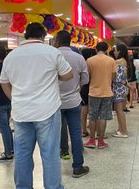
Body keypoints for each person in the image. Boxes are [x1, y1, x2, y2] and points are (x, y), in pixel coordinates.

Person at [0, 22, 73, 189]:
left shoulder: (11, 56)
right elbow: (68, 75)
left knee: (22, 155)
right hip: (47, 110)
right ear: (43, 36)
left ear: (26, 35)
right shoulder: (52, 52)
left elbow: (3, 82)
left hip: (21, 112)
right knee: (50, 155)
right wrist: (54, 76)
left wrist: (14, 99)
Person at [54, 30, 90, 176]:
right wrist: (77, 86)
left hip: (55, 101)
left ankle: (56, 165)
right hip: (74, 101)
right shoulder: (79, 57)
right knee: (75, 133)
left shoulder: (52, 56)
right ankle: (77, 167)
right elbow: (86, 79)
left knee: (56, 133)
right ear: (69, 41)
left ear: (57, 41)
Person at [84, 42, 116, 149]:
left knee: (92, 117)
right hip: (107, 92)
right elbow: (114, 77)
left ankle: (92, 140)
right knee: (103, 117)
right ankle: (101, 141)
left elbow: (87, 77)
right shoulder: (111, 60)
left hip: (93, 92)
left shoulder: (90, 60)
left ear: (96, 49)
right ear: (107, 49)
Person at [112, 44, 129, 138]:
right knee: (120, 110)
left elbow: (117, 78)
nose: (114, 52)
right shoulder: (125, 61)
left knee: (119, 110)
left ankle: (124, 131)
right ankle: (121, 129)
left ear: (119, 51)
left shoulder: (118, 61)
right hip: (122, 89)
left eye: (115, 50)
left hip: (118, 88)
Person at [80, 48, 97, 137]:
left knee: (84, 107)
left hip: (84, 87)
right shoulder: (92, 62)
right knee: (93, 108)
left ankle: (83, 129)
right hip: (94, 86)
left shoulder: (82, 63)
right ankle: (94, 127)